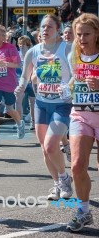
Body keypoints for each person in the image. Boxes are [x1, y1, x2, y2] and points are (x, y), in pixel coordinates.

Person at [15, 14, 73, 203]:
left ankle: (64, 178)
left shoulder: (67, 49)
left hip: (62, 105)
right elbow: (25, 75)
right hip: (41, 104)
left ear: (58, 30)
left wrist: (67, 87)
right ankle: (57, 183)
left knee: (51, 145)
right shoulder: (34, 51)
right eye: (42, 27)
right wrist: (21, 87)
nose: (45, 30)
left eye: (49, 27)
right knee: (45, 149)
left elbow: (76, 74)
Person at [66, 13, 99, 232]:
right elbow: (72, 81)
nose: (82, 38)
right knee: (77, 165)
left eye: (87, 34)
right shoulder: (73, 56)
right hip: (80, 114)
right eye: (79, 34)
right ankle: (84, 211)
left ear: (97, 34)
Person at [0, 24, 24, 146]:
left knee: (9, 109)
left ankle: (19, 123)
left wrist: (5, 64)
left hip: (9, 84)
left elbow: (18, 64)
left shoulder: (10, 48)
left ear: (3, 37)